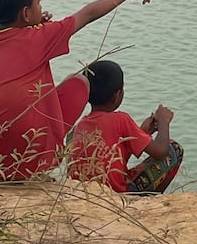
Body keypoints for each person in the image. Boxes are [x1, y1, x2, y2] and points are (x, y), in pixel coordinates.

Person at [0, 0, 153, 181]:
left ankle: (11, 175)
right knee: (79, 83)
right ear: (26, 13)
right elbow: (88, 13)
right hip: (29, 159)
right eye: (39, 1)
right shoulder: (40, 38)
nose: (42, 7)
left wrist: (34, 28)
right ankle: (35, 170)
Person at [68, 59, 182, 193]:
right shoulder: (121, 119)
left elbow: (111, 153)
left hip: (84, 192)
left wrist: (143, 132)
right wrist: (164, 122)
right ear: (117, 96)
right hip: (117, 194)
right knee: (174, 149)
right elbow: (161, 152)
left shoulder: (79, 126)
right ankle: (152, 199)